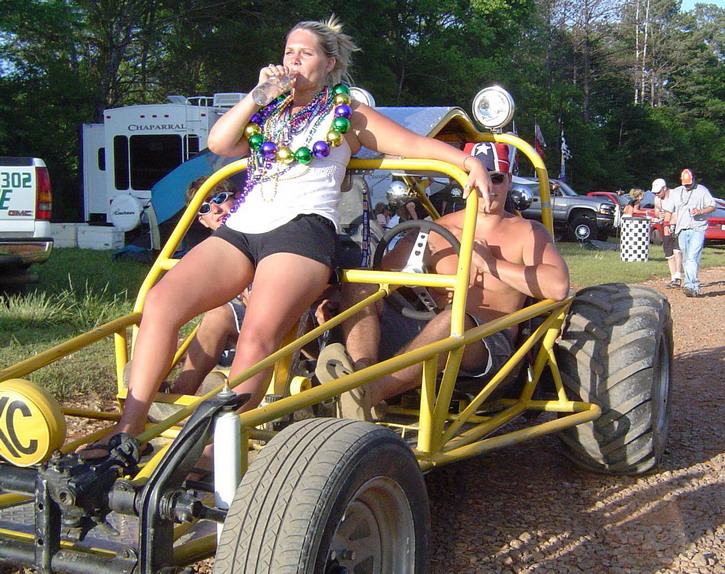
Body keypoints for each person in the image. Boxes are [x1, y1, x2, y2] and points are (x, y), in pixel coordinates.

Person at [78, 16, 492, 462]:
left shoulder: (346, 111)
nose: (293, 60)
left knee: (259, 333)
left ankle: (216, 451)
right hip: (245, 225)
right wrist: (258, 95)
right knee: (161, 302)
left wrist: (468, 162)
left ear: (328, 64)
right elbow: (219, 143)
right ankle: (129, 429)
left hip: (302, 230)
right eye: (288, 51)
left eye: (305, 53)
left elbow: (411, 144)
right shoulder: (268, 110)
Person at [316, 142, 570, 421]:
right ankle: (360, 376)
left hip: (490, 349)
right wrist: (340, 298)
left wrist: (491, 265)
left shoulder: (528, 232)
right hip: (426, 333)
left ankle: (367, 396)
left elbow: (558, 287)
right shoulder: (436, 229)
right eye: (476, 177)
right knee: (359, 284)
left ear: (508, 181)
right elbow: (379, 281)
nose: (486, 186)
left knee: (452, 320)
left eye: (495, 178)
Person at [663, 169, 716, 297]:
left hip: (698, 228)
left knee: (692, 257)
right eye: (685, 184)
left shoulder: (702, 190)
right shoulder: (676, 192)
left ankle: (690, 285)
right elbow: (669, 210)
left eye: (689, 184)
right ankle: (693, 285)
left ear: (694, 179)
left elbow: (712, 206)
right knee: (687, 259)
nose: (687, 186)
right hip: (682, 229)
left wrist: (700, 211)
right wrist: (666, 224)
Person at [651, 178, 683, 289]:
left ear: (664, 188)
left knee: (677, 251)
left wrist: (671, 219)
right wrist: (659, 215)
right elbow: (656, 211)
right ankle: (673, 278)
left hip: (677, 225)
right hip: (665, 226)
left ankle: (678, 276)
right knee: (669, 254)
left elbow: (681, 211)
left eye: (659, 192)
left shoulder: (675, 195)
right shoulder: (657, 199)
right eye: (655, 192)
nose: (657, 194)